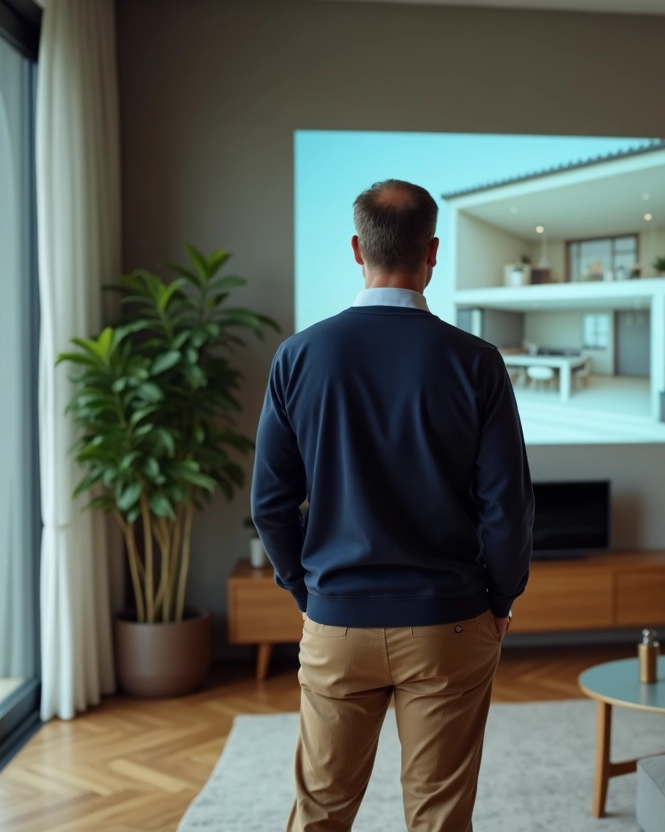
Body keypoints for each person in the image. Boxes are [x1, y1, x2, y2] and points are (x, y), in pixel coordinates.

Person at [251, 179, 534, 832]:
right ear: (433, 251)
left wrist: (309, 593)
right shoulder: (477, 362)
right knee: (439, 819)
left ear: (357, 248)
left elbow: (270, 505)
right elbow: (508, 509)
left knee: (319, 812)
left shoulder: (298, 356)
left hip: (337, 621)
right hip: (450, 623)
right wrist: (502, 598)